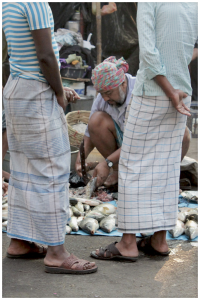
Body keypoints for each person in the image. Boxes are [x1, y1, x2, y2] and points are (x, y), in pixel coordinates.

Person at [90, 2, 197, 261]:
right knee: (167, 165)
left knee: (133, 164)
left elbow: (149, 53)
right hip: (182, 90)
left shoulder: (150, 2)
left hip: (154, 91)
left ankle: (128, 244)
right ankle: (159, 240)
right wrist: (176, 88)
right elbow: (191, 48)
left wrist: (167, 90)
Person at [2, 2, 97, 274]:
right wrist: (57, 91)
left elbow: (26, 56)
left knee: (23, 167)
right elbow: (45, 56)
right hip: (35, 93)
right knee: (52, 170)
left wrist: (57, 85)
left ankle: (20, 241)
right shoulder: (35, 2)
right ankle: (57, 252)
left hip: (17, 89)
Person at [75, 56, 191, 188]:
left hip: (149, 143)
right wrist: (80, 160)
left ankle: (165, 176)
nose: (105, 98)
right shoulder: (103, 97)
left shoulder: (141, 92)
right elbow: (89, 135)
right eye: (101, 93)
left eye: (108, 92)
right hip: (123, 144)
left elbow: (138, 140)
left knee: (183, 133)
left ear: (123, 84)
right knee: (96, 121)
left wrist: (107, 163)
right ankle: (119, 171)